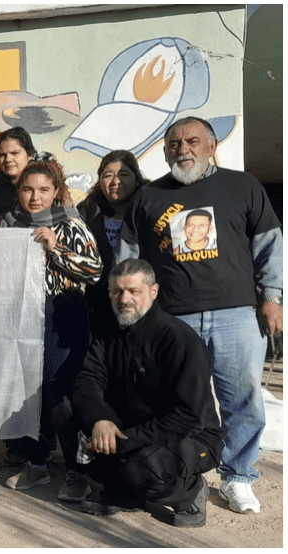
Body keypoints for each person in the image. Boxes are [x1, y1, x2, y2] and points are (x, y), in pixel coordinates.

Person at [119, 116, 282, 515]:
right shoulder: (148, 197)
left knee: (242, 400)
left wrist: (274, 297)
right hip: (174, 320)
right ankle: (182, 474)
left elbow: (269, 246)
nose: (183, 149)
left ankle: (238, 478)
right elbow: (128, 259)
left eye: (192, 141)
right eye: (174, 144)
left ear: (212, 146)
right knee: (175, 402)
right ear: (164, 150)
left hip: (237, 315)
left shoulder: (242, 186)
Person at [54, 258, 223, 528]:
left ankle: (190, 491)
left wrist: (123, 441)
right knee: (65, 412)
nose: (125, 298)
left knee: (139, 469)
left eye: (134, 291)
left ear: (153, 292)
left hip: (190, 436)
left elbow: (189, 417)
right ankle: (123, 491)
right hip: (132, 428)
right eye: (118, 291)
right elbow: (87, 379)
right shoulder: (108, 330)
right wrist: (101, 420)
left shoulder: (179, 340)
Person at [0, 153, 102, 490]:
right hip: (24, 317)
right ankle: (37, 462)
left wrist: (55, 249)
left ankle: (78, 470)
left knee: (62, 392)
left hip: (65, 314)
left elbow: (95, 270)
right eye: (28, 189)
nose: (35, 197)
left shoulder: (71, 224)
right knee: (29, 390)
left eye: (43, 189)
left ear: (56, 191)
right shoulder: (9, 225)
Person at [77, 150, 149, 335]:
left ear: (137, 177)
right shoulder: (87, 212)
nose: (116, 181)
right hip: (99, 312)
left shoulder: (150, 210)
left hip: (142, 310)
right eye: (108, 175)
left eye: (124, 174)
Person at [0, 127, 36, 227]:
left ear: (30, 155)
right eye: (2, 155)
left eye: (14, 153)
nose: (8, 159)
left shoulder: (48, 185)